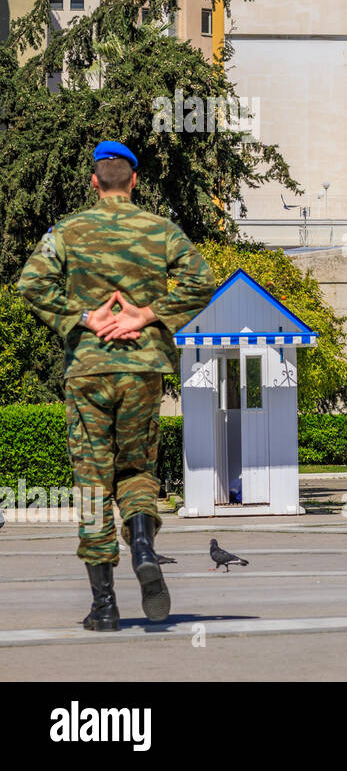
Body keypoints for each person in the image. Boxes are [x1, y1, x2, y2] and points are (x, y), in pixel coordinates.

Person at [17, 141, 217, 630]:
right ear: (132, 182)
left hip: (88, 368)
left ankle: (104, 607)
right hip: (143, 369)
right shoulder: (161, 230)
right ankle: (144, 545)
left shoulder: (67, 230)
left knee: (92, 484)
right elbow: (201, 280)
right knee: (137, 469)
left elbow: (31, 283)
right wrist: (146, 315)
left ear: (94, 182)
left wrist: (85, 316)